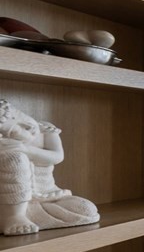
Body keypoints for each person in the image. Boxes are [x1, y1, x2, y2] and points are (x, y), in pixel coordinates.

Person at [0, 100, 99, 236]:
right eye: (13, 130)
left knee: (86, 209)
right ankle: (13, 217)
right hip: (9, 203)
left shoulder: (46, 130)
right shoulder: (7, 148)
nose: (27, 126)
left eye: (16, 116)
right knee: (15, 158)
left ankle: (21, 216)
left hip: (48, 196)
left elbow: (57, 156)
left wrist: (27, 149)